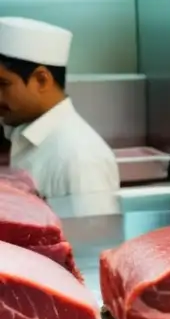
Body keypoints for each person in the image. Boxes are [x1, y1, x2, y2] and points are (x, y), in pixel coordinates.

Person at [0, 17, 119, 198]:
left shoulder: (79, 159)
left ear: (42, 80)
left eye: (3, 84)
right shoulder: (23, 135)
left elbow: (94, 227)